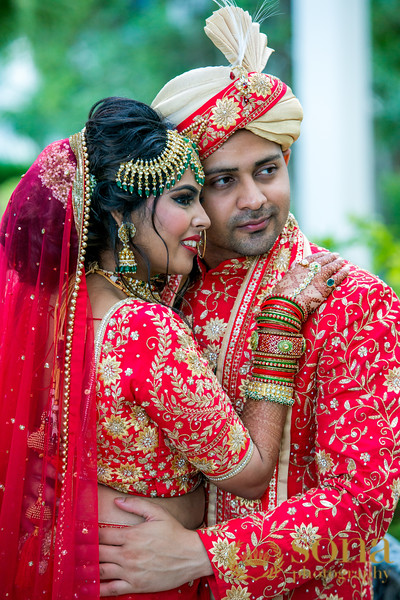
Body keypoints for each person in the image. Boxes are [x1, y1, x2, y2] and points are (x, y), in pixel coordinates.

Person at [97, 3, 400, 600]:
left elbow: (364, 505)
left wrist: (197, 555)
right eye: (222, 181)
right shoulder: (158, 297)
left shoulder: (352, 303)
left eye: (268, 169)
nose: (254, 198)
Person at [0, 94, 343, 600]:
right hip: (141, 580)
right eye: (185, 199)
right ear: (122, 218)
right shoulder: (142, 328)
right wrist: (279, 326)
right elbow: (249, 475)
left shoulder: (53, 317)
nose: (203, 218)